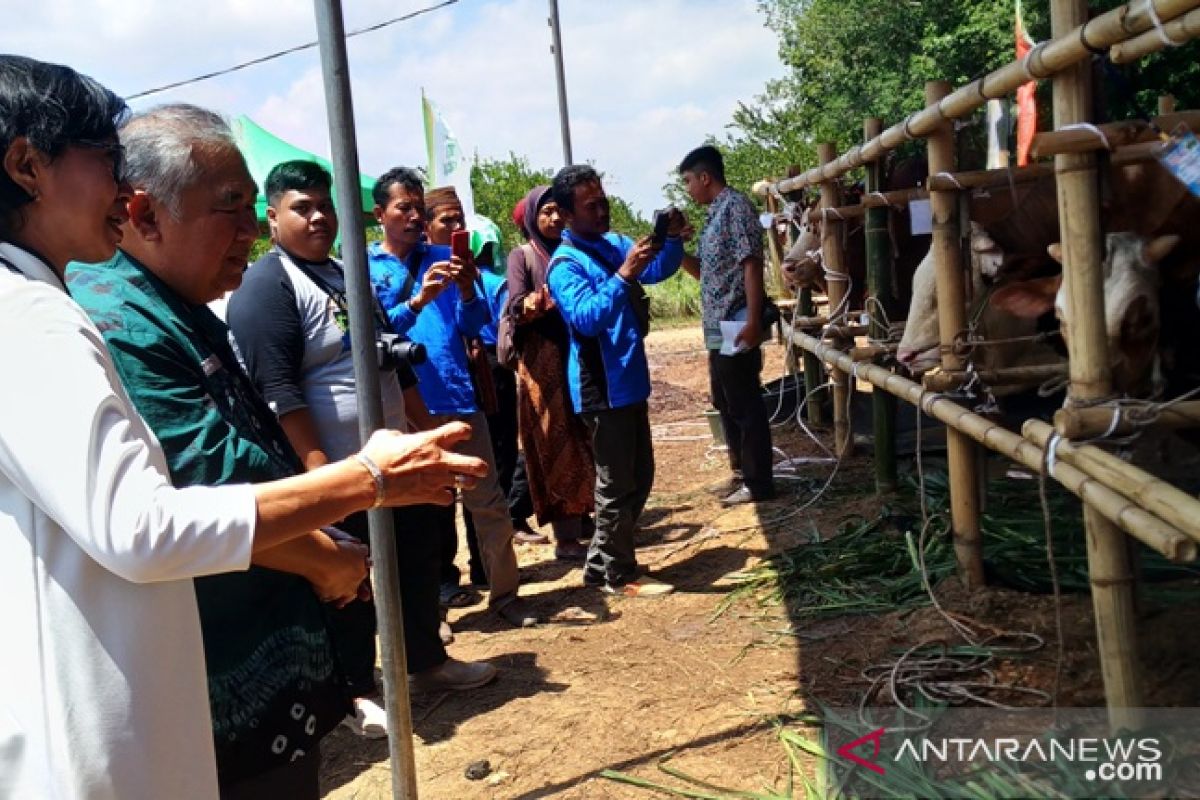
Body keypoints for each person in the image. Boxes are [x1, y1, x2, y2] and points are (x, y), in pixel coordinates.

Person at [0, 57, 484, 800]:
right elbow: (149, 520)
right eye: (102, 158)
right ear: (27, 166)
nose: (118, 189)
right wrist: (368, 479)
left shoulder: (55, 300)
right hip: (132, 712)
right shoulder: (41, 318)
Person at [225, 162, 496, 730]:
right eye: (303, 207)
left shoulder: (347, 275)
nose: (320, 216)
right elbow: (278, 392)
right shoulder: (269, 287)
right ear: (271, 217)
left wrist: (423, 435)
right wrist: (325, 480)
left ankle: (425, 662)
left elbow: (392, 360)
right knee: (350, 582)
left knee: (418, 558)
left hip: (394, 459)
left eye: (326, 205)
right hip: (339, 470)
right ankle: (353, 690)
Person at [369, 168, 538, 628]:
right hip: (404, 408)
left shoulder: (446, 257)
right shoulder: (364, 269)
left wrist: (466, 289)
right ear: (379, 213)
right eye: (403, 207)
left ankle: (505, 596)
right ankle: (431, 615)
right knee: (421, 516)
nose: (413, 216)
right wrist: (418, 301)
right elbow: (371, 339)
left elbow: (477, 326)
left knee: (489, 504)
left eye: (417, 207)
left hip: (460, 400)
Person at [545, 165, 685, 596]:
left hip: (628, 380)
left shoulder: (612, 245)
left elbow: (658, 269)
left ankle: (598, 564)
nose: (603, 211)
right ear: (566, 215)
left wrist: (673, 239)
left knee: (639, 476)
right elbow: (586, 320)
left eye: (603, 201)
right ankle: (620, 574)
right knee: (616, 482)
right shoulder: (564, 265)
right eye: (592, 206)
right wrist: (623, 275)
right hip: (600, 387)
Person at [678, 145, 776, 505]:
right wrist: (676, 249)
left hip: (736, 323)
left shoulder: (735, 208)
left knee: (745, 402)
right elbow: (704, 273)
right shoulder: (714, 215)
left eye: (689, 181)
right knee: (725, 399)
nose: (688, 189)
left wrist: (752, 320)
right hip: (718, 327)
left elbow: (750, 265)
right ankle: (742, 473)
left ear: (705, 178)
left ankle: (759, 481)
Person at [506, 185, 595, 561]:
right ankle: (566, 537)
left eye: (560, 211)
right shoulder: (522, 256)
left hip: (578, 356)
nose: (555, 218)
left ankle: (589, 519)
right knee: (554, 447)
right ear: (531, 218)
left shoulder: (576, 251)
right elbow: (513, 305)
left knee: (586, 440)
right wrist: (533, 305)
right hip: (543, 366)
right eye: (546, 212)